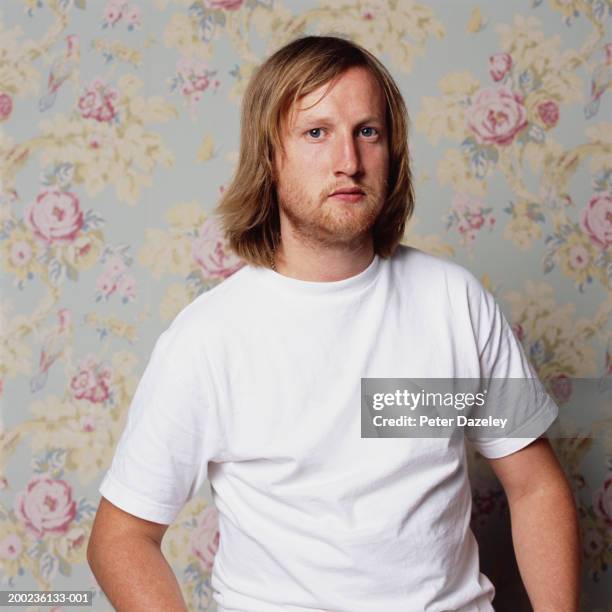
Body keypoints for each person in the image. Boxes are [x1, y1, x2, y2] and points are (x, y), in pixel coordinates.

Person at [87, 36, 580, 611]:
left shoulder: (454, 302)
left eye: (366, 131)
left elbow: (535, 485)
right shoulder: (207, 339)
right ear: (269, 156)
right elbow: (120, 537)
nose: (348, 160)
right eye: (316, 132)